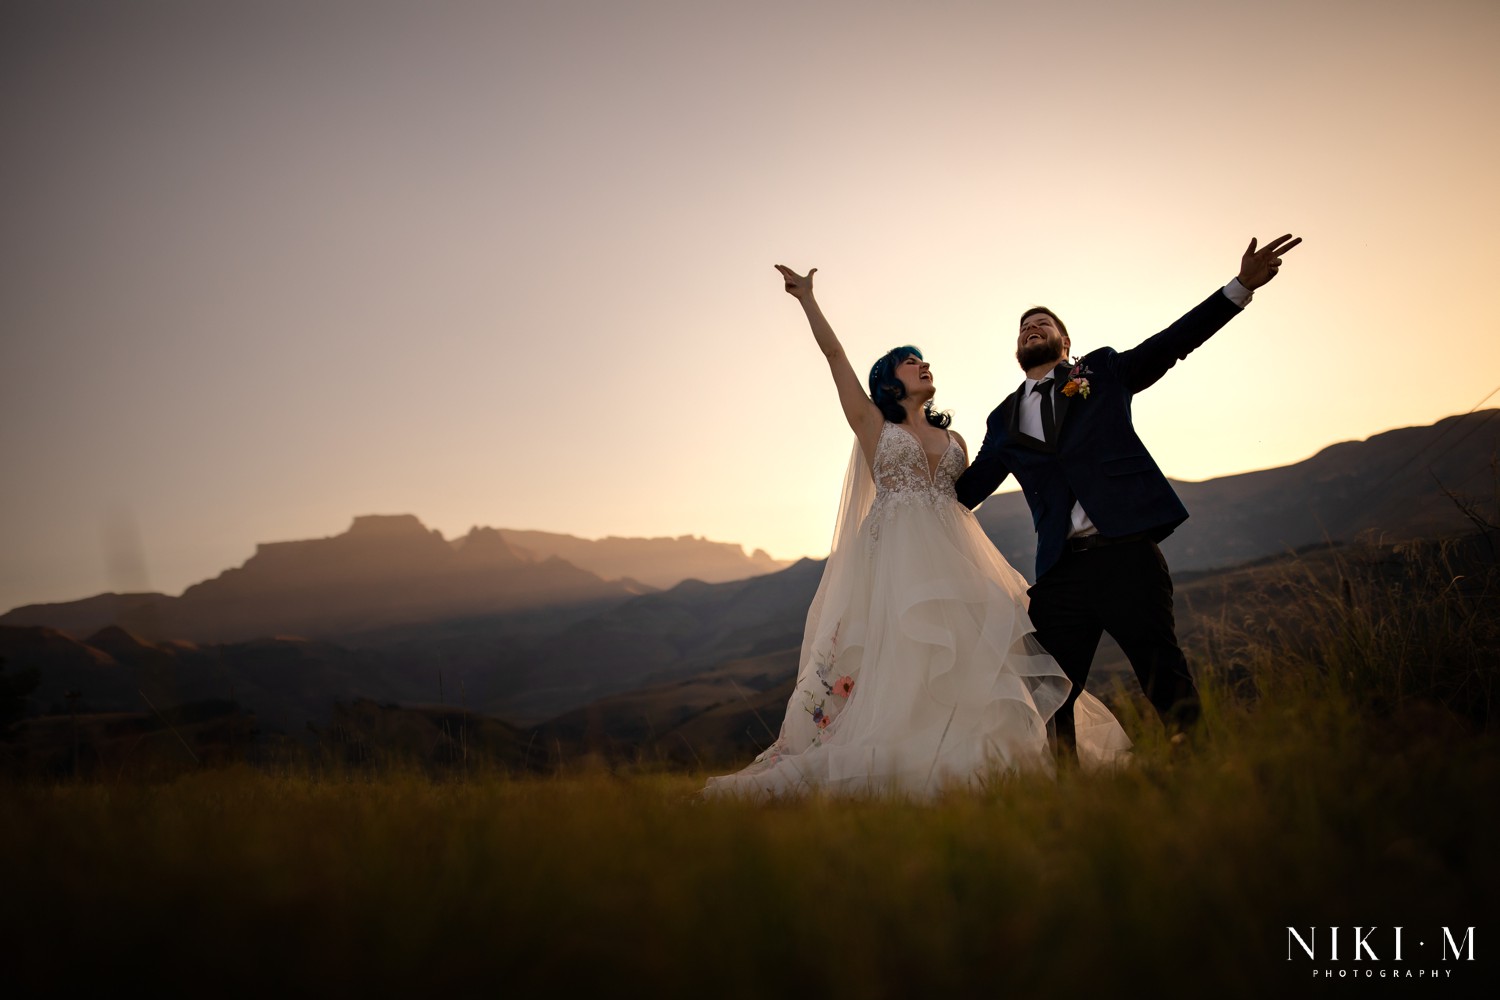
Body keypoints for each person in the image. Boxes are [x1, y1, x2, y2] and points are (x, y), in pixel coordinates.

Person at [702, 266, 1129, 799]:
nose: (924, 365)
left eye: (925, 361)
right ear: (890, 379)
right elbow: (836, 359)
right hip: (898, 567)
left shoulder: (957, 440)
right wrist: (809, 299)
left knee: (979, 655)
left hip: (956, 558)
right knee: (903, 658)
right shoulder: (873, 426)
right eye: (912, 361)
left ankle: (986, 754)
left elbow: (970, 495)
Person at [954, 234, 1303, 758]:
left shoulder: (1103, 371)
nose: (1032, 328)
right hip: (1060, 572)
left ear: (1066, 344)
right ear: (1017, 348)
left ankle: (1197, 767)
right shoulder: (1002, 420)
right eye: (1024, 327)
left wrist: (1238, 289)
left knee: (1162, 669)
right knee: (1049, 692)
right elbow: (970, 489)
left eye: (1043, 323)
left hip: (1127, 554)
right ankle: (1066, 793)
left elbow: (1170, 343)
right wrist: (910, 459)